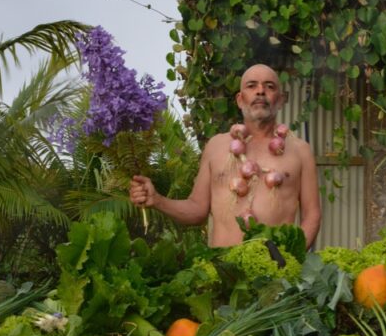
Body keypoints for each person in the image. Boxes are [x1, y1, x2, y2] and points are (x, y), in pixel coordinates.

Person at [130, 63, 322, 247]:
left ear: (280, 100)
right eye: (251, 85)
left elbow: (312, 215)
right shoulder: (216, 146)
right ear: (240, 99)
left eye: (269, 86)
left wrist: (289, 259)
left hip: (276, 274)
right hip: (222, 270)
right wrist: (157, 200)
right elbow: (196, 209)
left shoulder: (299, 151)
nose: (260, 91)